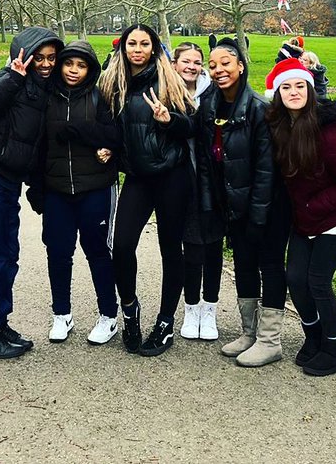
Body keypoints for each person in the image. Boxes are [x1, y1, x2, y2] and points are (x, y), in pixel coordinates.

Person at [0, 26, 63, 359]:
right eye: (40, 57)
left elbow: (38, 144)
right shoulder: (12, 80)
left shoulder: (44, 90)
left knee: (8, 255)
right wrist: (12, 76)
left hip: (10, 181)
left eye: (52, 58)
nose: (47, 64)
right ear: (26, 55)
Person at [265, 57, 336, 376]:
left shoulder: (328, 130)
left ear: (309, 89)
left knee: (318, 281)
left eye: (299, 86)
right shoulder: (280, 126)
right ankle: (314, 336)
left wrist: (311, 208)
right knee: (295, 278)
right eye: (286, 87)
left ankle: (334, 348)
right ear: (278, 93)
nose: (294, 92)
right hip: (305, 217)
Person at [101, 23, 195, 357]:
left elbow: (191, 126)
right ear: (124, 47)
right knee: (122, 245)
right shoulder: (114, 83)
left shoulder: (169, 80)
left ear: (153, 48)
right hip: (138, 178)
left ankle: (166, 323)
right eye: (132, 43)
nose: (137, 49)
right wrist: (106, 147)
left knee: (171, 249)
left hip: (172, 176)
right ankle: (130, 309)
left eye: (144, 43)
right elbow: (107, 127)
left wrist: (169, 119)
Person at [195, 37, 285, 367]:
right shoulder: (209, 105)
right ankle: (249, 332)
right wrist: (213, 203)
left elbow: (266, 168)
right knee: (245, 266)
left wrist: (258, 214)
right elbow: (207, 159)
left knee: (270, 265)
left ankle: (270, 340)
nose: (219, 70)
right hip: (231, 203)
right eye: (213, 65)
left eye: (225, 64)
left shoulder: (259, 109)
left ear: (240, 66)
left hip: (265, 206)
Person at [34, 40, 121, 345]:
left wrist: (82, 133)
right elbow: (38, 145)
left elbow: (114, 136)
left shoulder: (101, 97)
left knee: (97, 251)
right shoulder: (47, 96)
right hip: (57, 189)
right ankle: (62, 314)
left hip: (94, 187)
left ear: (90, 69)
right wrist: (37, 187)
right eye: (69, 64)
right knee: (58, 252)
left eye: (81, 65)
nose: (74, 70)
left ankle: (109, 315)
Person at [172, 41, 220, 341]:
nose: (191, 66)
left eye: (196, 61)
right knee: (191, 247)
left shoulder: (213, 92)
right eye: (185, 61)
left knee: (213, 246)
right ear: (175, 63)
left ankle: (210, 307)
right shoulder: (166, 91)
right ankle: (190, 307)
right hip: (181, 178)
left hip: (213, 179)